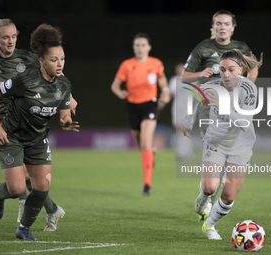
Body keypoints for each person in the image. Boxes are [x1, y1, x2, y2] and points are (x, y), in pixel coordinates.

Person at [0, 23, 79, 240]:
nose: (59, 64)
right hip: (12, 134)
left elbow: (64, 115)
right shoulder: (23, 79)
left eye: (62, 59)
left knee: (41, 188)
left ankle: (24, 229)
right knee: (18, 188)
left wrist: (66, 122)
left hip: (38, 138)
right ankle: (0, 192)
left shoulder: (63, 84)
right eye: (54, 59)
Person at [181, 10, 261, 217]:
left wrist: (246, 86)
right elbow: (185, 76)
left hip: (235, 109)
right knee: (213, 163)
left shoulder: (242, 48)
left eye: (226, 23)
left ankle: (210, 200)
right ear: (214, 26)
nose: (222, 27)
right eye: (218, 23)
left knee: (230, 165)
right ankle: (206, 196)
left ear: (233, 27)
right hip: (210, 110)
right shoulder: (203, 48)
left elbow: (253, 69)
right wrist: (201, 73)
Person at [111, 33, 170, 195]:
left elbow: (162, 79)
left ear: (149, 47)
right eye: (137, 45)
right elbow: (115, 86)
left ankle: (147, 185)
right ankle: (151, 153)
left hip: (150, 105)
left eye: (143, 45)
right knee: (141, 146)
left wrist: (164, 91)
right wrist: (120, 93)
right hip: (132, 107)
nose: (140, 48)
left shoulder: (156, 63)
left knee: (145, 143)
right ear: (133, 47)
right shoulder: (127, 65)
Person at [169, 63, 195, 159]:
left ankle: (184, 152)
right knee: (180, 130)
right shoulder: (174, 80)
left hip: (189, 108)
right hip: (177, 108)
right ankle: (184, 152)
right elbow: (170, 93)